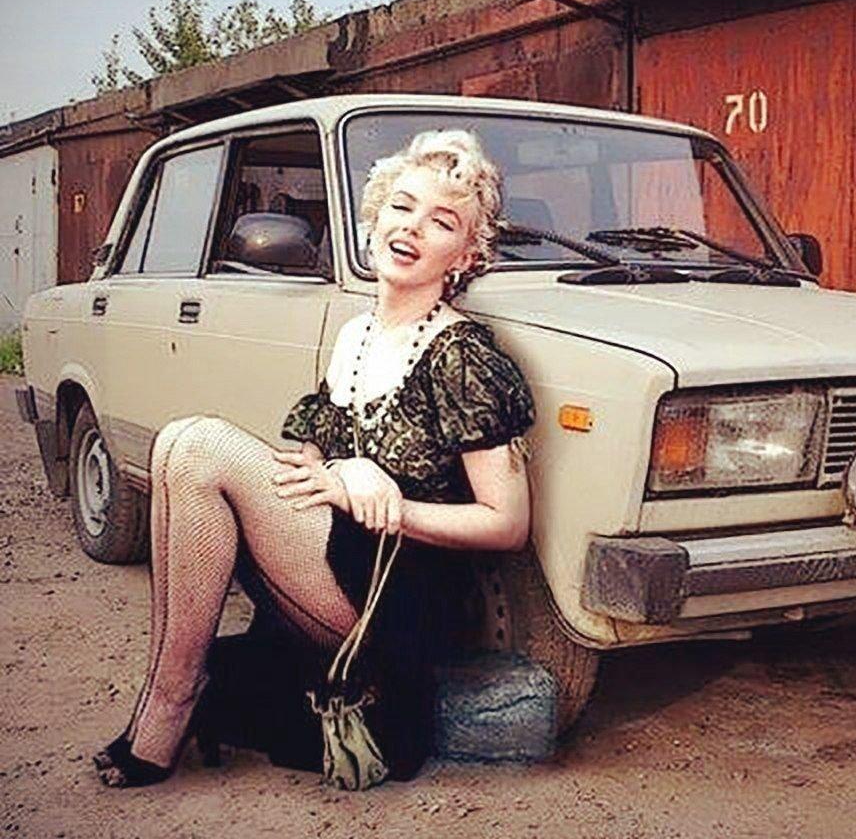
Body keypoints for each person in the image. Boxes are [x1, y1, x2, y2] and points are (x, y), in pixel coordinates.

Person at [93, 129, 535, 787]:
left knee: (199, 443)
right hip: (333, 557)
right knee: (180, 448)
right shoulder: (356, 334)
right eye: (401, 206)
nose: (412, 227)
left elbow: (507, 523)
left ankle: (173, 701)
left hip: (399, 590)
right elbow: (311, 466)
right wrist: (339, 474)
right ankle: (169, 695)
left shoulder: (463, 356)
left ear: (465, 256)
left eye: (442, 222)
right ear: (375, 217)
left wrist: (393, 504)